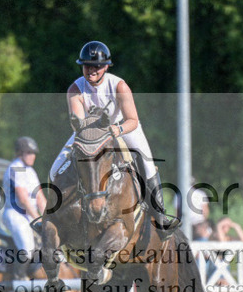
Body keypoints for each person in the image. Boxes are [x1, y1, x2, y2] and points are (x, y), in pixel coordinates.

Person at [50, 40, 179, 239]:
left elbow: (133, 120)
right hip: (88, 132)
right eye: (87, 66)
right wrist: (95, 135)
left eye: (96, 66)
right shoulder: (74, 90)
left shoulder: (119, 86)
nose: (91, 70)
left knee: (147, 162)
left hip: (122, 127)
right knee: (55, 169)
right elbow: (78, 123)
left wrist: (114, 130)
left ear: (106, 66)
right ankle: (52, 214)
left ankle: (160, 217)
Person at [0, 136, 48, 280]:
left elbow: (40, 197)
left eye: (34, 153)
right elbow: (23, 199)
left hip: (29, 215)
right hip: (15, 214)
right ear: (20, 153)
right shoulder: (15, 168)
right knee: (27, 247)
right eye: (29, 153)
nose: (33, 156)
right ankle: (18, 279)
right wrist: (38, 218)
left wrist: (49, 217)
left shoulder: (31, 172)